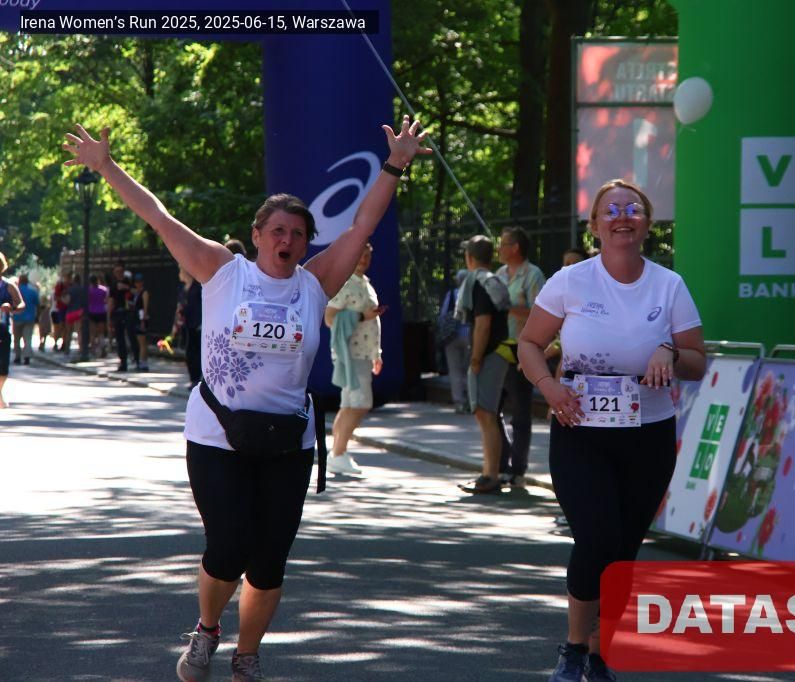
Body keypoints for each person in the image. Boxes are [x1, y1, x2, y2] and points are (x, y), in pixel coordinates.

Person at [63, 116, 429, 681]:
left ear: (306, 243)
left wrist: (395, 165)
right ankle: (208, 629)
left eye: (297, 234)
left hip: (287, 440)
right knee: (229, 545)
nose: (287, 241)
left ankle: (248, 653)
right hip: (217, 434)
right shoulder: (222, 271)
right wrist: (106, 166)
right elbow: (159, 217)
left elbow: (363, 223)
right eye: (277, 231)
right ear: (257, 235)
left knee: (269, 560)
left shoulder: (316, 283)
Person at [517, 179, 706, 682]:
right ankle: (574, 647)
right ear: (595, 225)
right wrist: (548, 388)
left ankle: (600, 655)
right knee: (597, 535)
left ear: (647, 223)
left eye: (633, 209)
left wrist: (669, 352)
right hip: (580, 428)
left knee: (623, 551)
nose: (623, 217)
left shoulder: (669, 285)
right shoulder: (570, 281)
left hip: (648, 435)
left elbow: (698, 361)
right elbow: (529, 344)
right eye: (612, 210)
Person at [454, 235, 511, 494]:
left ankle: (490, 475)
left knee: (485, 414)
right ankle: (490, 472)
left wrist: (476, 359)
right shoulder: (495, 280)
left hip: (488, 354)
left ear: (469, 258)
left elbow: (483, 325)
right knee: (488, 414)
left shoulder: (478, 282)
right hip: (499, 352)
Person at [324, 243, 384, 476]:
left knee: (349, 404)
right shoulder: (346, 283)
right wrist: (360, 316)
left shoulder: (364, 282)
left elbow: (372, 321)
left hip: (363, 353)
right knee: (360, 403)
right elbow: (330, 318)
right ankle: (338, 453)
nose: (364, 259)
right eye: (360, 255)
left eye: (367, 255)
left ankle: (337, 453)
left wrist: (376, 354)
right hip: (351, 354)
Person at [495, 226, 546, 488]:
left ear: (515, 248)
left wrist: (509, 308)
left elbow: (541, 315)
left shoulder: (533, 274)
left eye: (503, 243)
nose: (498, 248)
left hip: (521, 349)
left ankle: (518, 469)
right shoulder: (499, 274)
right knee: (491, 409)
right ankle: (500, 463)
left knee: (520, 412)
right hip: (498, 348)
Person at [437, 269, 471, 413]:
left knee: (455, 370)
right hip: (470, 336)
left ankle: (459, 402)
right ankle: (471, 401)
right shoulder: (473, 294)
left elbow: (443, 315)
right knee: (470, 370)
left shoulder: (451, 294)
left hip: (452, 337)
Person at [0, 253, 25, 408]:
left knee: (3, 365)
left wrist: (11, 308)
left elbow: (21, 304)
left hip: (2, 329)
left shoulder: (8, 286)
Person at [106, 261, 135, 371]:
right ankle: (123, 362)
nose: (118, 274)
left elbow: (138, 291)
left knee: (132, 336)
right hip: (117, 312)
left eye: (120, 271)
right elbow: (111, 301)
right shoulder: (113, 285)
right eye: (116, 272)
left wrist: (127, 287)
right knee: (119, 338)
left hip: (129, 312)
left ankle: (136, 359)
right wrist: (109, 317)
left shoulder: (129, 281)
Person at [13, 273, 39, 366]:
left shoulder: (15, 291)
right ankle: (27, 357)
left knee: (17, 338)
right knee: (27, 338)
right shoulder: (32, 292)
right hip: (29, 318)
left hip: (17, 317)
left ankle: (17, 357)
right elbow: (37, 303)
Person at [130, 271, 151, 371]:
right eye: (136, 282)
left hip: (142, 319)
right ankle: (142, 362)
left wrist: (143, 320)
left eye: (139, 282)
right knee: (140, 342)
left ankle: (143, 364)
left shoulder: (144, 292)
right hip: (137, 318)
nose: (137, 283)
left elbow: (145, 307)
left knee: (142, 342)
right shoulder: (137, 293)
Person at [65, 273, 87, 356]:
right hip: (79, 312)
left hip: (70, 312)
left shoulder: (70, 290)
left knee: (68, 332)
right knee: (79, 331)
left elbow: (67, 301)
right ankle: (81, 349)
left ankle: (67, 349)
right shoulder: (83, 289)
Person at [87, 274, 109, 357]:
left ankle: (93, 350)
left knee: (92, 332)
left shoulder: (89, 290)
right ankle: (102, 349)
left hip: (92, 311)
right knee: (101, 332)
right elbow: (106, 300)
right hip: (101, 311)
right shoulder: (103, 290)